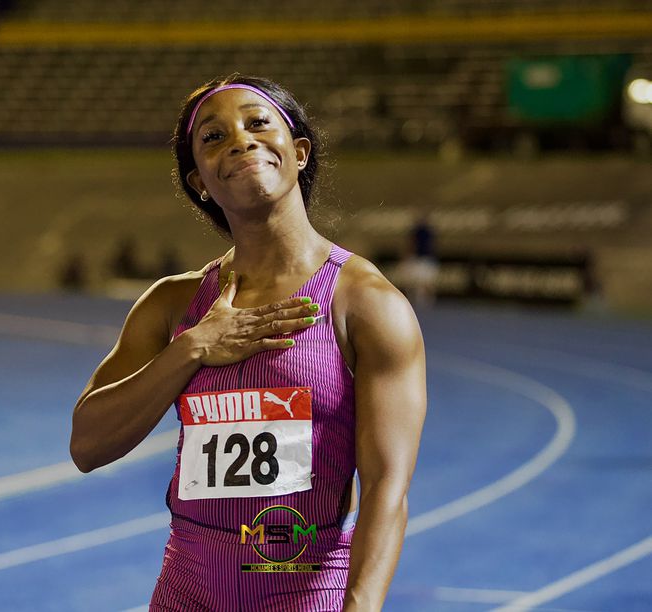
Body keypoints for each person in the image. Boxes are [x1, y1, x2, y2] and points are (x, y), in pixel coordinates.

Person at [69, 74, 427, 611]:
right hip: (186, 592)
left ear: (299, 152)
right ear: (200, 182)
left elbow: (386, 489)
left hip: (303, 591)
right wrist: (192, 348)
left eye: (258, 123)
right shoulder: (171, 304)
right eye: (214, 137)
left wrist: (361, 605)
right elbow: (87, 445)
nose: (240, 140)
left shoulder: (366, 303)